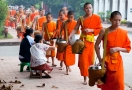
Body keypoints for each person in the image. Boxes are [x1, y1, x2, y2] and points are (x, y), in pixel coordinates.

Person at [95, 11, 131, 90]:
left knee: (119, 83)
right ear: (110, 19)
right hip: (106, 62)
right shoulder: (104, 31)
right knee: (106, 84)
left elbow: (128, 49)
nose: (117, 22)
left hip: (118, 62)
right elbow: (96, 45)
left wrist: (117, 48)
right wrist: (100, 60)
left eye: (119, 20)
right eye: (115, 20)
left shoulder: (123, 32)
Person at [69, 2, 102, 85]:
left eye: (90, 8)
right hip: (82, 42)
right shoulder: (81, 18)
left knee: (90, 60)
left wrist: (91, 30)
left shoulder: (97, 18)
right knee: (83, 61)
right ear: (84, 9)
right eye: (87, 8)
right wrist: (70, 35)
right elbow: (75, 28)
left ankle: (90, 77)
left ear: (92, 8)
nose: (88, 9)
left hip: (91, 43)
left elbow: (100, 29)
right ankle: (84, 78)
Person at [61, 11, 78, 75]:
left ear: (73, 17)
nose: (70, 19)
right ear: (67, 16)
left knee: (70, 56)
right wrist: (61, 36)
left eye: (72, 17)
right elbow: (61, 30)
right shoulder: (64, 23)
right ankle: (67, 68)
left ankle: (68, 66)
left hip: (72, 42)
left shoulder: (75, 23)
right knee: (65, 55)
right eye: (69, 17)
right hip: (66, 41)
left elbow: (77, 32)